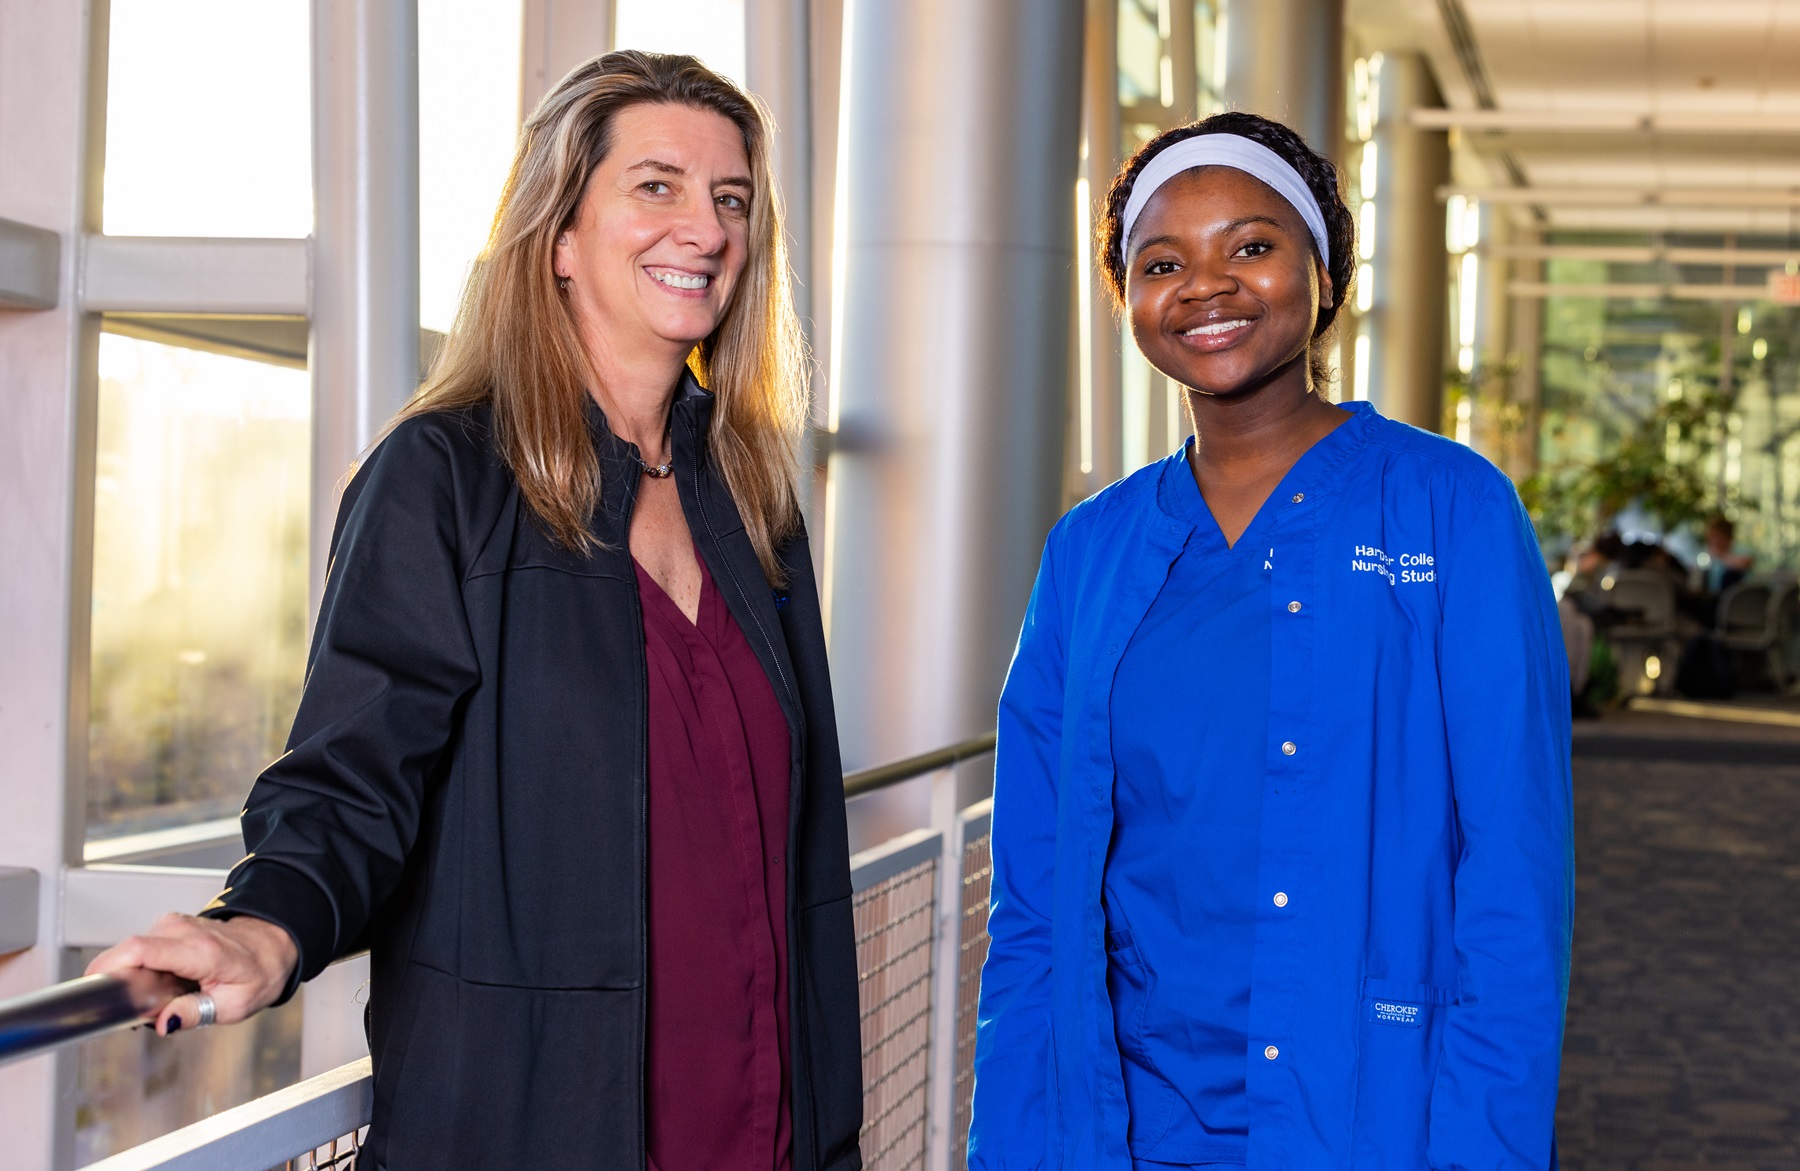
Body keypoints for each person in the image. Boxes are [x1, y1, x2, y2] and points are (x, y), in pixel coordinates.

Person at [88, 51, 863, 1171]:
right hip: (537, 1124)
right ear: (557, 236)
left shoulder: (751, 502)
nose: (705, 226)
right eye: (656, 186)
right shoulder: (443, 477)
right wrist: (265, 925)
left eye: (730, 198)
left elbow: (795, 861)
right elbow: (354, 774)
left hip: (758, 1129)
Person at [968, 112, 1573, 1170]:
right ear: (1129, 301)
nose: (1208, 285)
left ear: (1322, 271)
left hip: (1366, 1111)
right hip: (1127, 1119)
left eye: (1251, 245)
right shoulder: (1091, 551)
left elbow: (1515, 877)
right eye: (1164, 263)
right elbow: (1034, 896)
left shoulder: (1451, 510)